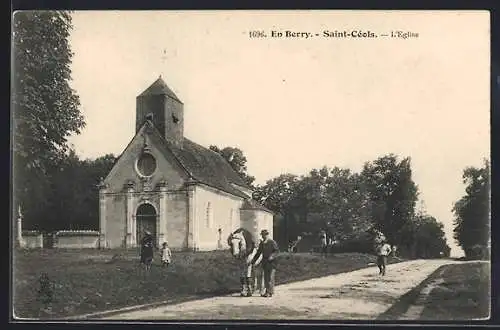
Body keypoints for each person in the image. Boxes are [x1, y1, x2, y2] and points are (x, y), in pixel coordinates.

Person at [250, 229, 279, 297]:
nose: (263, 236)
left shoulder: (272, 242)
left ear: (267, 235)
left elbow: (276, 251)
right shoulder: (262, 243)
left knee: (270, 277)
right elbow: (258, 253)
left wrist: (272, 256)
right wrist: (253, 260)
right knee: (266, 278)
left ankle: (270, 292)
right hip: (265, 262)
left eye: (264, 235)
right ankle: (268, 291)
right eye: (262, 235)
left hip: (272, 263)